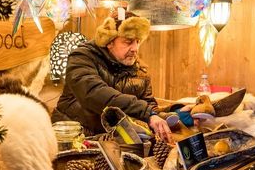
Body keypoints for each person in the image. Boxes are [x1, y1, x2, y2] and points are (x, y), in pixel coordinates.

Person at [52, 11, 173, 142]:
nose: (135, 48)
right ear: (109, 42)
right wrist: (147, 113)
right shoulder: (81, 58)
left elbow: (148, 106)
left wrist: (169, 114)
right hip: (73, 139)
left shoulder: (140, 71)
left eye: (137, 42)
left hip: (113, 142)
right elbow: (94, 93)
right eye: (128, 42)